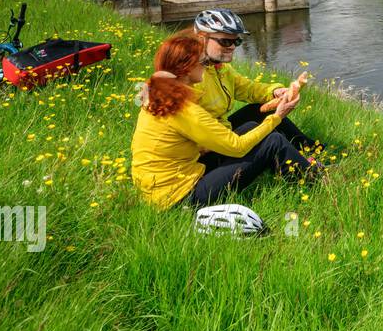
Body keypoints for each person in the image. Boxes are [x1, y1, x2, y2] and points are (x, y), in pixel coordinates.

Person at [130, 34, 312, 210]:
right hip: (180, 198)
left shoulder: (163, 94)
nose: (207, 67)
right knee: (272, 142)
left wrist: (273, 94)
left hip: (164, 187)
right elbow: (237, 147)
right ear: (186, 68)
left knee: (250, 127)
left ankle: (297, 169)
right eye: (202, 62)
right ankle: (314, 180)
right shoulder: (184, 109)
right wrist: (277, 117)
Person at [188, 8, 327, 169]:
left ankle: (313, 150)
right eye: (226, 41)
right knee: (262, 133)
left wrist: (274, 91)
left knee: (260, 110)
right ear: (201, 39)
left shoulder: (218, 67)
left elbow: (247, 89)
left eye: (237, 41)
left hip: (220, 132)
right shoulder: (190, 77)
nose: (233, 47)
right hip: (207, 149)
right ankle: (305, 169)